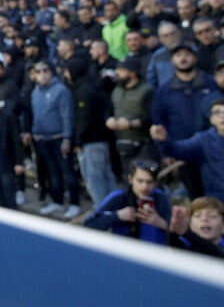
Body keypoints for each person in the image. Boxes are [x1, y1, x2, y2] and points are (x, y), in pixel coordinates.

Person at [152, 43, 217, 198]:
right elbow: (159, 120)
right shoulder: (164, 90)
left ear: (195, 58)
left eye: (187, 54)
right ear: (172, 60)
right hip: (181, 149)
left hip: (212, 148)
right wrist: (166, 149)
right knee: (194, 193)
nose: (183, 58)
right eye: (178, 55)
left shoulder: (211, 83)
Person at [26, 60, 80, 218]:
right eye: (38, 71)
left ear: (51, 72)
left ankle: (75, 203)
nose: (42, 75)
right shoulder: (35, 92)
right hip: (42, 138)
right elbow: (36, 115)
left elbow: (67, 116)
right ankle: (57, 201)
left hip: (59, 137)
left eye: (45, 71)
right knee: (52, 173)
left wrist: (67, 138)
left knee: (67, 172)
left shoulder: (61, 90)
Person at [65, 58, 116, 207]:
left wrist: (78, 140)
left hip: (91, 142)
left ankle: (103, 210)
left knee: (95, 179)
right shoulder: (91, 85)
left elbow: (84, 118)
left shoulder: (84, 90)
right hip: (100, 140)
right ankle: (112, 208)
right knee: (106, 177)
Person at [151, 98, 224, 203]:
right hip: (217, 200)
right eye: (217, 112)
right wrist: (164, 141)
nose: (222, 116)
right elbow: (179, 150)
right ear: (211, 119)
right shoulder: (203, 139)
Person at [84, 161, 171, 245]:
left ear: (155, 183)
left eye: (149, 182)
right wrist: (117, 215)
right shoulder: (118, 196)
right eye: (140, 181)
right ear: (131, 179)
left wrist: (160, 222)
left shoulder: (160, 197)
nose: (144, 187)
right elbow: (89, 224)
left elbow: (178, 232)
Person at [106, 57, 155, 179]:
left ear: (132, 72)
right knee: (129, 179)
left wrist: (131, 124)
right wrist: (109, 119)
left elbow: (153, 118)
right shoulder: (116, 91)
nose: (117, 73)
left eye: (121, 70)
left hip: (143, 144)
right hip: (122, 143)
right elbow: (110, 110)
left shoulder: (147, 91)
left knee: (145, 178)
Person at [146, 21, 181, 88]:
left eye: (172, 33)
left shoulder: (192, 50)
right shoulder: (157, 55)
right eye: (165, 36)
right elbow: (151, 80)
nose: (170, 37)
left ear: (179, 33)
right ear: (161, 39)